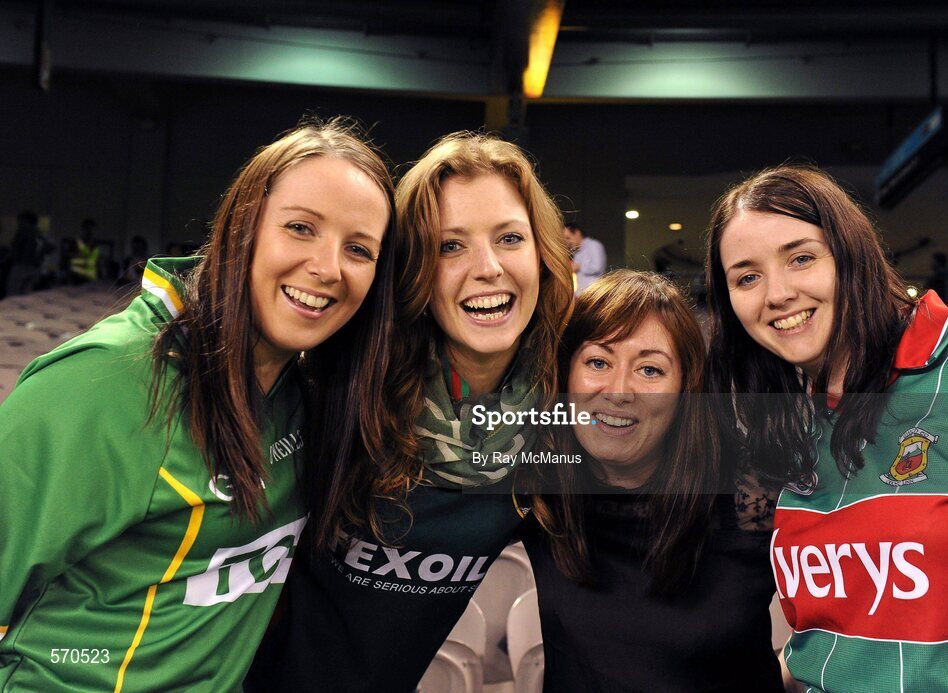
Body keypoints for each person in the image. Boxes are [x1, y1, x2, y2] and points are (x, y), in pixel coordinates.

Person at [0, 117, 395, 691]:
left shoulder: (303, 393)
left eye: (358, 249)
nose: (328, 267)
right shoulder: (102, 384)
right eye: (301, 228)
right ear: (243, 228)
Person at [247, 132, 574, 692]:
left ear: (542, 255)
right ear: (414, 271)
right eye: (451, 246)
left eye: (511, 238)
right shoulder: (338, 391)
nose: (489, 267)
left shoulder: (566, 418)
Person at [705, 164, 948, 692]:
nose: (777, 293)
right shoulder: (787, 426)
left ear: (851, 255)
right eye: (746, 277)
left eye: (801, 258)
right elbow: (846, 640)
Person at [524, 270, 783, 691]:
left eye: (649, 370)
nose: (619, 390)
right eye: (597, 362)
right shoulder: (541, 488)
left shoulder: (751, 498)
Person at [6, 210, 53, 296]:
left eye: (20, 221)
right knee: (27, 292)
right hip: (35, 267)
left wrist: (10, 257)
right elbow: (51, 247)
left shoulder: (23, 231)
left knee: (13, 292)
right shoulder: (40, 233)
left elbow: (14, 248)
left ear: (26, 221)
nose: (19, 223)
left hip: (21, 265)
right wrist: (40, 254)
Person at [563, 221, 606, 293]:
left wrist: (579, 267)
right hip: (581, 294)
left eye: (568, 238)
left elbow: (597, 267)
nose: (567, 242)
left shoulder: (593, 245)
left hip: (594, 293)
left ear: (577, 233)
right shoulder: (577, 254)